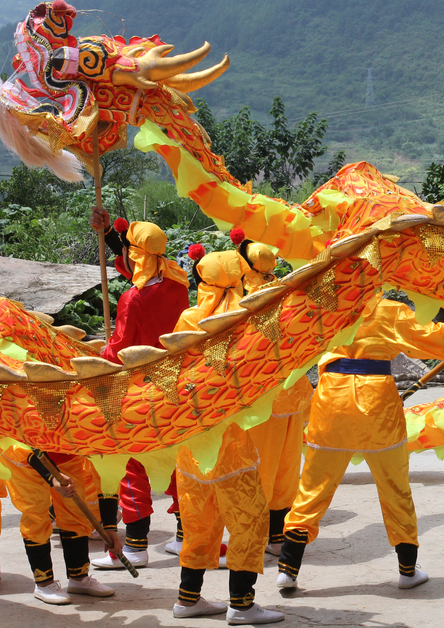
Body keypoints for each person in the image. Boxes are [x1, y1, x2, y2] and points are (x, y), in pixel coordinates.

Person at [276, 294, 444, 590]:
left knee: (313, 488)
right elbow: (432, 337)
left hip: (331, 402)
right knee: (395, 487)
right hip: (377, 404)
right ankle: (407, 570)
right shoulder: (389, 310)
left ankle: (288, 569)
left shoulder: (320, 304)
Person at [172, 246, 284, 625]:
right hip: (229, 440)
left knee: (199, 521)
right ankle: (242, 604)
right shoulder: (247, 317)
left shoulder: (189, 316)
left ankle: (188, 600)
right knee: (250, 518)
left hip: (191, 436)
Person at [87, 208, 191, 570]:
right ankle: (184, 537)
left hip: (138, 389)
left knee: (132, 464)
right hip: (174, 385)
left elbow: (120, 349)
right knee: (178, 461)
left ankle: (135, 547)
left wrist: (102, 354)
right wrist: (108, 234)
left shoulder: (133, 298)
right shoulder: (179, 282)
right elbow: (135, 265)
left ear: (137, 254)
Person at [236, 236, 314, 557]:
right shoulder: (287, 293)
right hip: (293, 394)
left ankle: (253, 538)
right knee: (286, 468)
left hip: (263, 398)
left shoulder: (240, 300)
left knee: (260, 469)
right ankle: (277, 536)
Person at [0, 446, 115, 604]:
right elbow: (20, 443)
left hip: (64, 449)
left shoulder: (103, 437)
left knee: (75, 510)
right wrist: (52, 477)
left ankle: (79, 577)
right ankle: (44, 583)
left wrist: (110, 527)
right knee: (36, 514)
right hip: (23, 456)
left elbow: (109, 476)